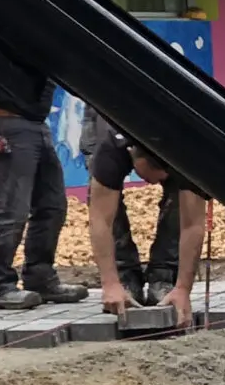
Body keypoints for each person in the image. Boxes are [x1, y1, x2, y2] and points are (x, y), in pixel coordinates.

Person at [0, 59, 86, 310]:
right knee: (13, 209)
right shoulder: (7, 42)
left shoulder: (39, 43)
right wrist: (3, 95)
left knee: (52, 206)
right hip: (7, 121)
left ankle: (40, 277)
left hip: (36, 122)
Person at [86, 127, 204, 317]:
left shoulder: (188, 155)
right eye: (153, 175)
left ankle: (164, 277)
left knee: (179, 204)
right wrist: (110, 283)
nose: (155, 183)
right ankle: (125, 277)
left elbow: (193, 225)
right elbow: (100, 220)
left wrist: (183, 289)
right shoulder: (111, 150)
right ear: (134, 156)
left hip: (180, 141)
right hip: (120, 144)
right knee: (106, 205)